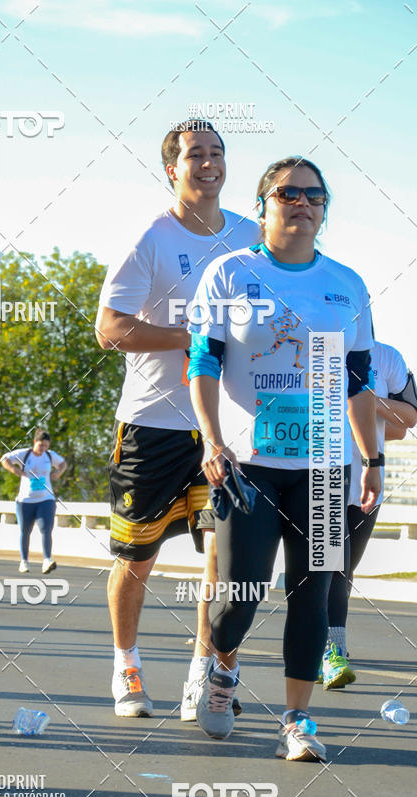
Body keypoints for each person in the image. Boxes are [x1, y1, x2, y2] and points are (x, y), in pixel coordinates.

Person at [188, 155, 379, 761]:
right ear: (263, 204)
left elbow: (358, 380)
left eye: (314, 196)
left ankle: (296, 721)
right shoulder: (229, 273)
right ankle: (222, 670)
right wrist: (212, 440)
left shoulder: (346, 284)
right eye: (288, 193)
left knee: (313, 593)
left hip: (323, 464)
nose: (302, 203)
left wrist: (372, 459)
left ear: (324, 209)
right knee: (240, 596)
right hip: (248, 463)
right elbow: (203, 363)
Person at [95, 120, 259, 719]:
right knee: (137, 559)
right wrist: (190, 337)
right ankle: (127, 666)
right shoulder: (152, 238)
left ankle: (200, 676)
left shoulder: (250, 236)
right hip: (153, 423)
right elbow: (110, 329)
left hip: (225, 426)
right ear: (173, 169)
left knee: (220, 554)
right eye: (195, 155)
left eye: (217, 153)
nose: (208, 163)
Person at [321, 340, 417, 689]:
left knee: (344, 571)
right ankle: (332, 652)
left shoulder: (388, 358)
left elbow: (407, 420)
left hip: (367, 478)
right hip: (323, 475)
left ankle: (317, 643)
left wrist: (366, 402)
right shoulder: (318, 348)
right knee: (332, 565)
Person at [0, 429, 66, 574]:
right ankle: (24, 561)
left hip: (46, 499)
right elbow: (4, 459)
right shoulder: (24, 454)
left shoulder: (49, 455)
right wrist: (15, 470)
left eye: (46, 446)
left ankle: (47, 560)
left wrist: (58, 472)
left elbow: (63, 463)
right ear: (35, 442)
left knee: (46, 529)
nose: (43, 448)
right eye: (41, 445)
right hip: (25, 500)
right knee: (25, 531)